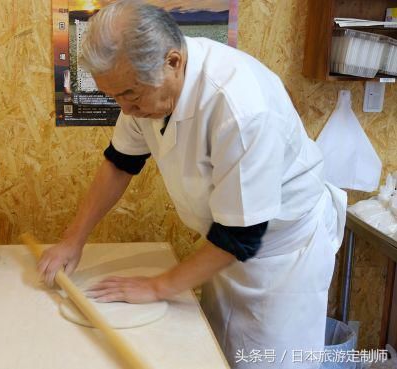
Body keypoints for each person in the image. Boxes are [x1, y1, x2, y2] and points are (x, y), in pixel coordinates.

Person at [38, 1, 347, 367]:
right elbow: (121, 163)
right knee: (219, 353)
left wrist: (157, 286)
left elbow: (242, 237)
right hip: (224, 244)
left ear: (173, 61)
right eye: (114, 96)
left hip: (282, 258)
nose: (126, 108)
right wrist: (73, 240)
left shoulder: (240, 107)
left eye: (130, 95)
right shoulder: (144, 91)